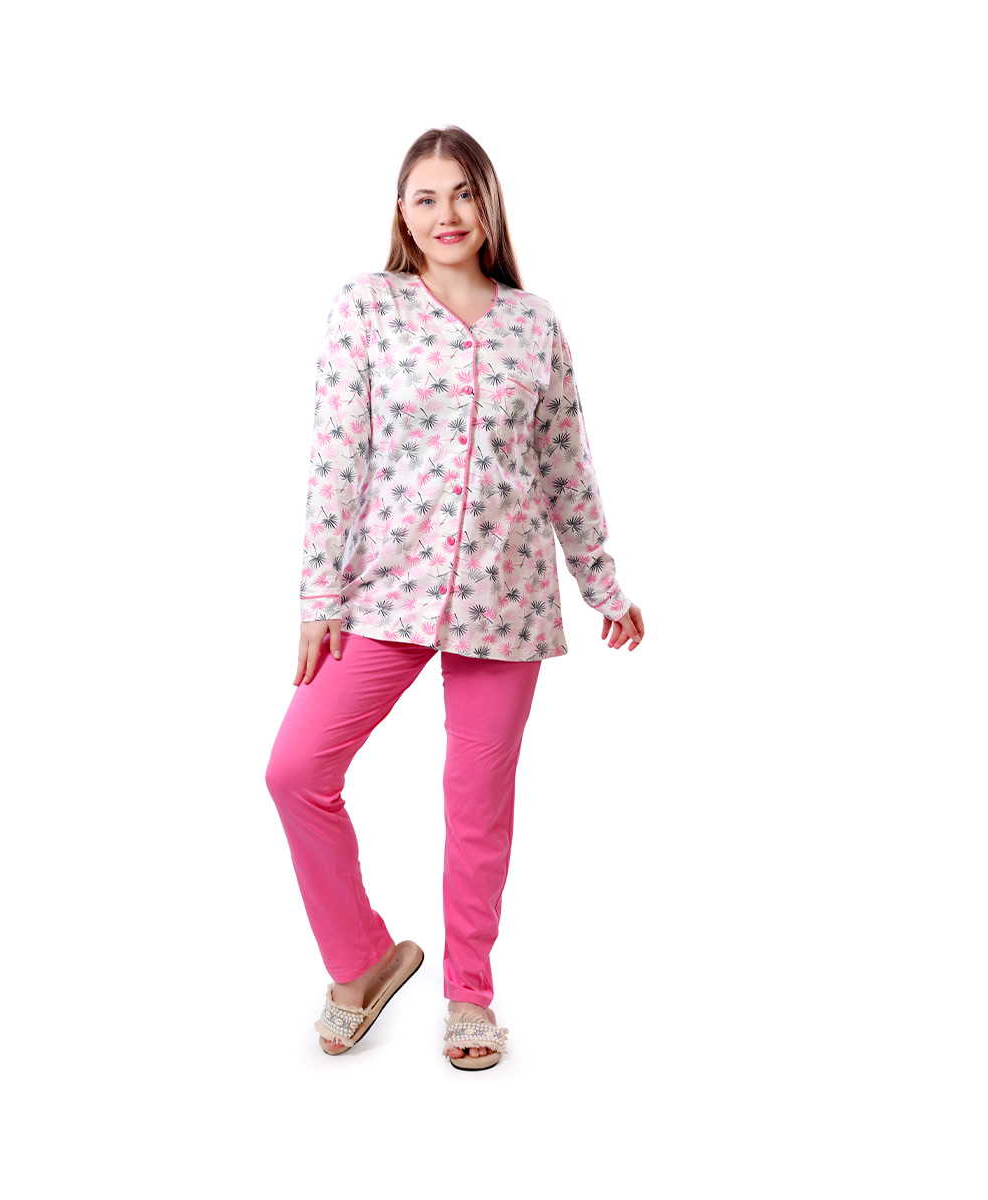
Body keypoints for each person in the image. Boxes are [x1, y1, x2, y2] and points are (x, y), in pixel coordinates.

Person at [265, 125, 645, 1070]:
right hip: (382, 592)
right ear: (402, 212)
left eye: (464, 194)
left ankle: (470, 994)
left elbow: (564, 465)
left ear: (489, 204)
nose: (447, 214)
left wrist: (603, 583)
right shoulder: (367, 306)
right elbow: (336, 456)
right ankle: (361, 961)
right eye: (427, 197)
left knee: (478, 808)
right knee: (295, 770)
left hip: (506, 596)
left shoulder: (535, 324)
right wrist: (318, 596)